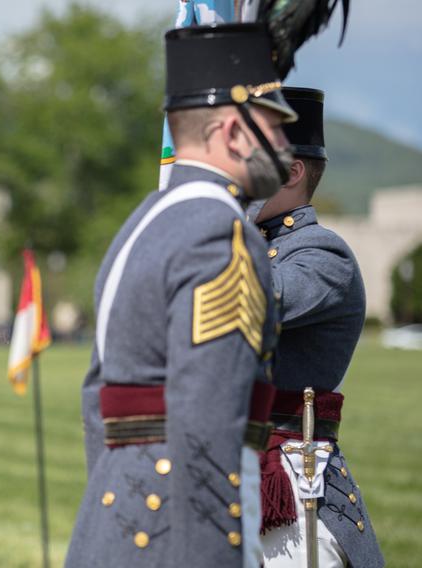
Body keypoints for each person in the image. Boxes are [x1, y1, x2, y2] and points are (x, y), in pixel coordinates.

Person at [67, 23, 295, 567]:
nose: (286, 144)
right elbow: (208, 418)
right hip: (183, 528)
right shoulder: (221, 230)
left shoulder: (143, 222)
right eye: (276, 125)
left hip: (119, 513)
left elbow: (97, 401)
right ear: (233, 132)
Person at [248, 87, 384, 568]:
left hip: (292, 481)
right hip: (239, 466)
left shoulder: (323, 254)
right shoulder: (253, 246)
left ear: (290, 172)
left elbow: (252, 304)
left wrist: (215, 224)